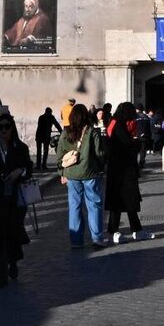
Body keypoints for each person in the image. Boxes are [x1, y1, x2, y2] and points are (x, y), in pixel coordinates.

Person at [0, 114, 32, 287]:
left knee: (12, 232)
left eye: (7, 127)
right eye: (0, 127)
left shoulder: (21, 148)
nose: (3, 130)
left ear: (12, 128)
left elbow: (29, 168)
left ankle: (13, 261)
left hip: (15, 198)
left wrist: (20, 171)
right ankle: (0, 274)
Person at [59, 104, 106, 248]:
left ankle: (76, 241)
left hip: (72, 175)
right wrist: (101, 167)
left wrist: (62, 173)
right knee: (94, 206)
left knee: (74, 207)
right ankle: (97, 238)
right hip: (90, 173)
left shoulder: (66, 132)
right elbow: (99, 154)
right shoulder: (92, 131)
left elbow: (60, 155)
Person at [103, 101, 150, 242]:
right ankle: (123, 231)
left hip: (116, 168)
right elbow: (127, 146)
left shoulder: (113, 123)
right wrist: (136, 142)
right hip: (123, 169)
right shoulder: (119, 125)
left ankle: (130, 230)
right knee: (127, 200)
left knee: (122, 202)